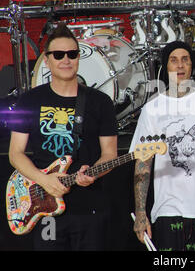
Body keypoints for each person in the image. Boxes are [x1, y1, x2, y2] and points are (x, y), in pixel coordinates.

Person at [8, 23, 118, 250]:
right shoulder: (28, 101)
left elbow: (110, 154)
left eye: (72, 54)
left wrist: (94, 174)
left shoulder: (100, 102)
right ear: (46, 60)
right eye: (58, 55)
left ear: (79, 58)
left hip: (90, 207)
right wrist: (44, 180)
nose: (66, 60)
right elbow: (15, 154)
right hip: (44, 205)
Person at [129, 41, 195, 251]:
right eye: (174, 60)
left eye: (185, 60)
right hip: (167, 210)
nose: (180, 66)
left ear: (191, 66)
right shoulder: (151, 110)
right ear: (165, 67)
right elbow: (143, 164)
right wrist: (140, 212)